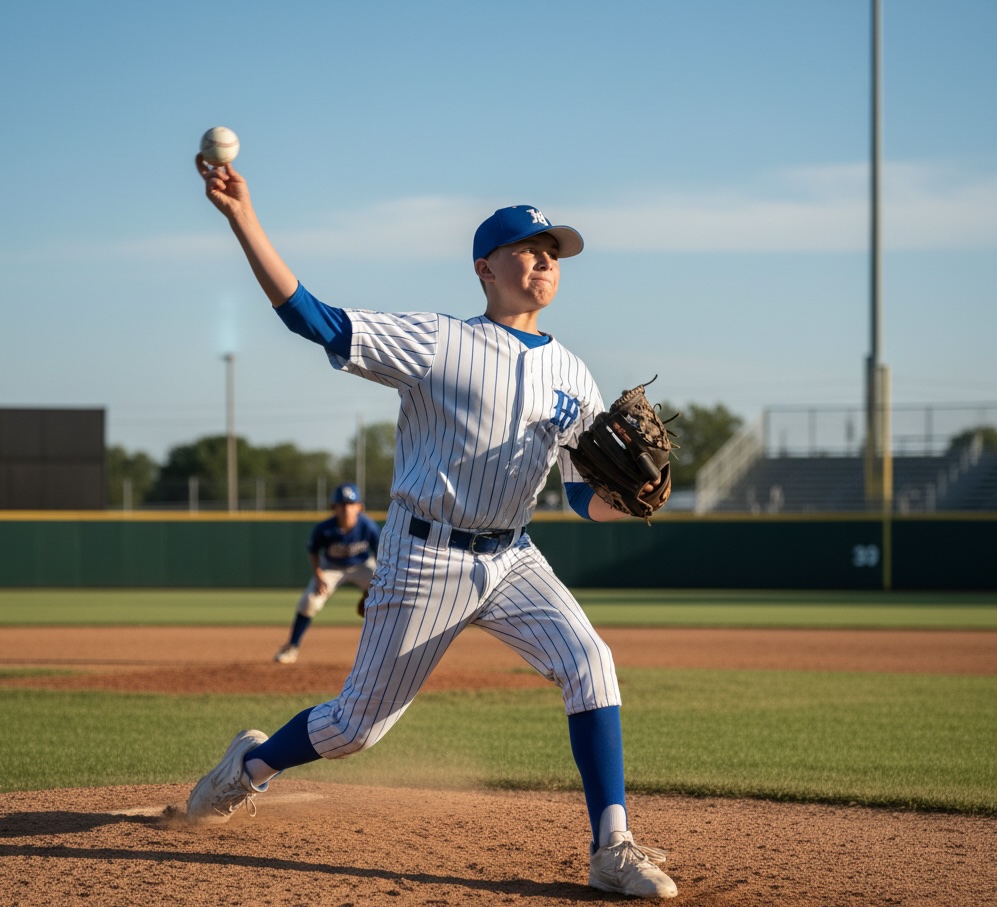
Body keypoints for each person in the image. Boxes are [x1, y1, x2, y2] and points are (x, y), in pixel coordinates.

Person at [186, 152, 678, 899]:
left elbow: (580, 495)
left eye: (552, 254)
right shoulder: (436, 341)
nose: (543, 263)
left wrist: (630, 500)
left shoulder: (575, 376)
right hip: (423, 559)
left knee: (591, 661)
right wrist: (242, 216)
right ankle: (249, 766)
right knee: (354, 728)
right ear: (485, 267)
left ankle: (612, 845)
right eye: (528, 250)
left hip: (513, 556)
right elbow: (313, 318)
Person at [273, 482, 380, 665]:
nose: (346, 509)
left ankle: (384, 653)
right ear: (334, 507)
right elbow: (313, 551)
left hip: (362, 566)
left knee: (389, 593)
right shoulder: (324, 528)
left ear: (359, 507)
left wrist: (376, 583)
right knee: (309, 602)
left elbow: (381, 555)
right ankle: (292, 647)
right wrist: (319, 574)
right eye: (342, 505)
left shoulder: (368, 526)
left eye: (351, 504)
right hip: (331, 567)